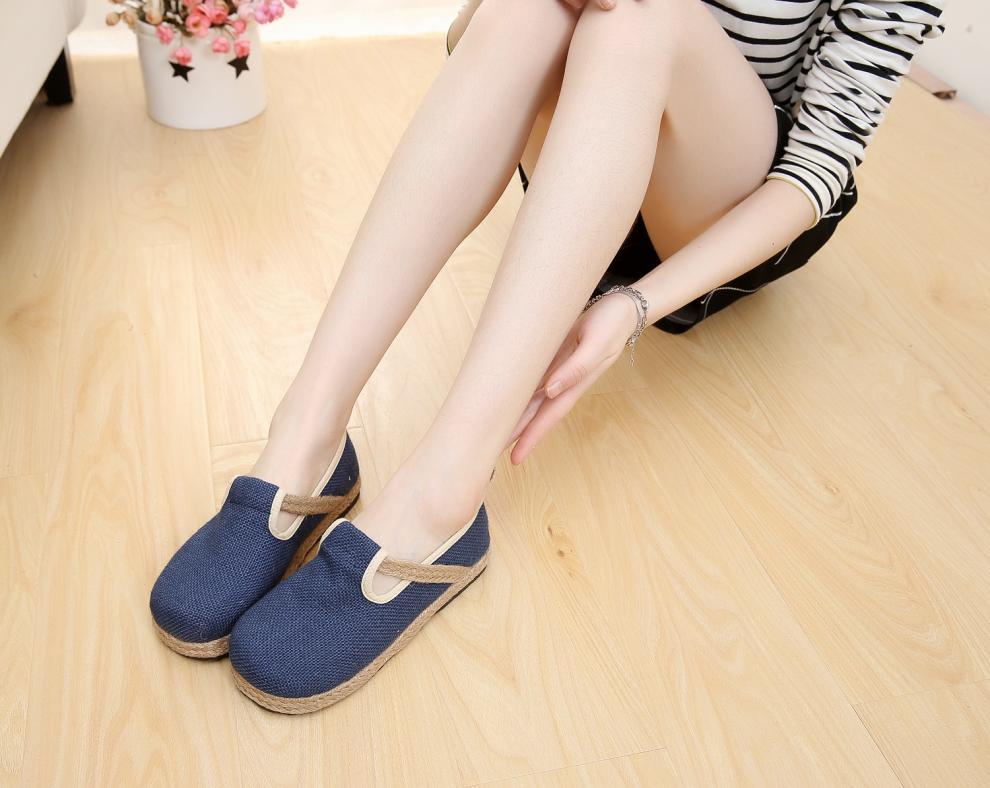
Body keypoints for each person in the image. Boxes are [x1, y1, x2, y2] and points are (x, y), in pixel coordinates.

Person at [149, 0, 946, 713]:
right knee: (527, 9)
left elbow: (820, 167)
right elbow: (471, 39)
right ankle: (307, 437)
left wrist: (638, 305)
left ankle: (441, 497)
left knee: (645, 16)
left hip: (718, 219)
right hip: (586, 162)